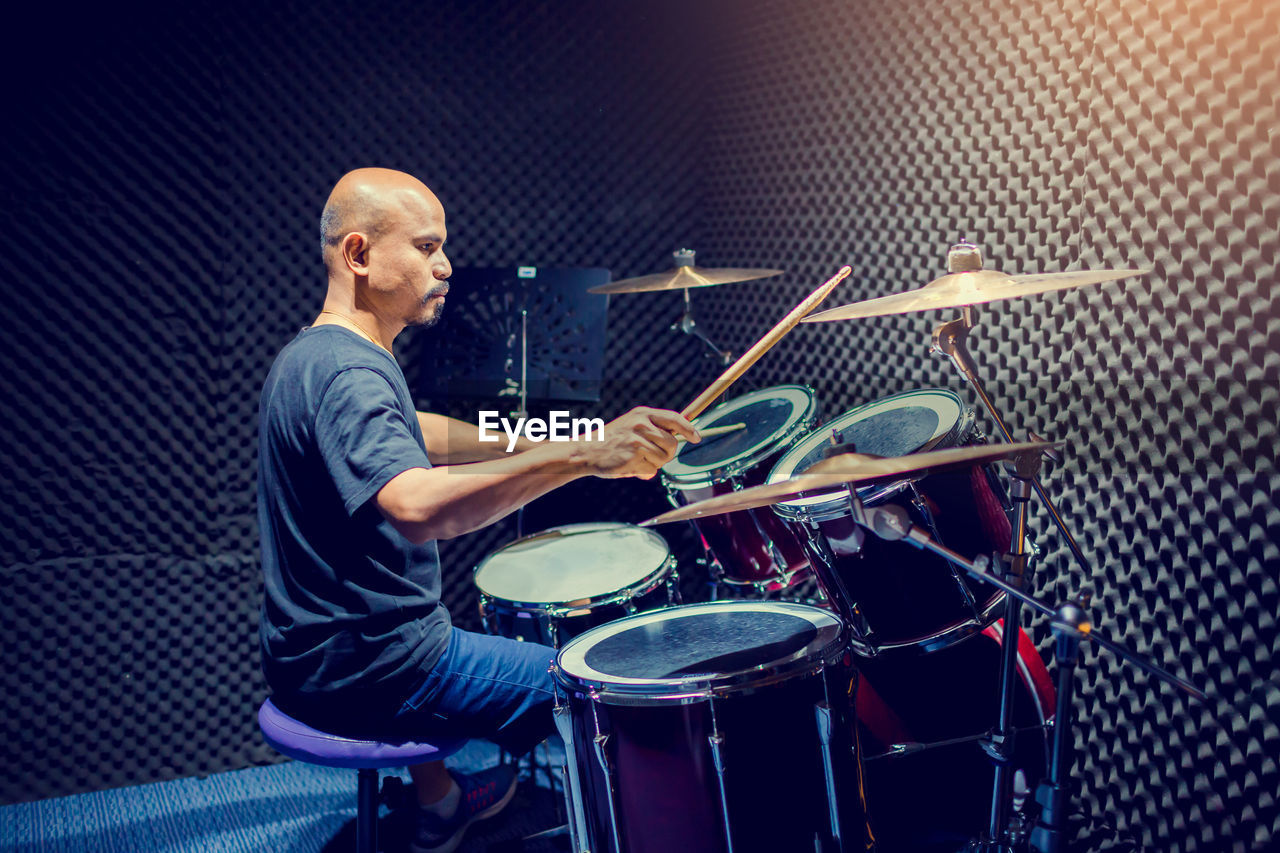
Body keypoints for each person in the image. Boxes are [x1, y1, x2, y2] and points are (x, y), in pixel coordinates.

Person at [257, 167, 699, 853]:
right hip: (377, 667)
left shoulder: (316, 354)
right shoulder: (350, 373)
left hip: (315, 651)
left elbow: (418, 432)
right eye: (428, 246)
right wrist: (590, 459)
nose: (446, 265)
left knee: (428, 613)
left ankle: (441, 805)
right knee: (592, 685)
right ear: (358, 255)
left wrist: (579, 435)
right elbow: (413, 505)